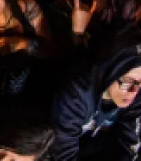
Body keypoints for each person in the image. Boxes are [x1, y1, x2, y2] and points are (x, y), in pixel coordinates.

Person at [53, 27, 141, 160]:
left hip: (95, 146)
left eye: (140, 83)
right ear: (111, 71)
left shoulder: (134, 95)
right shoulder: (76, 96)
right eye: (128, 81)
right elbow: (63, 156)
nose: (134, 91)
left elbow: (131, 147)